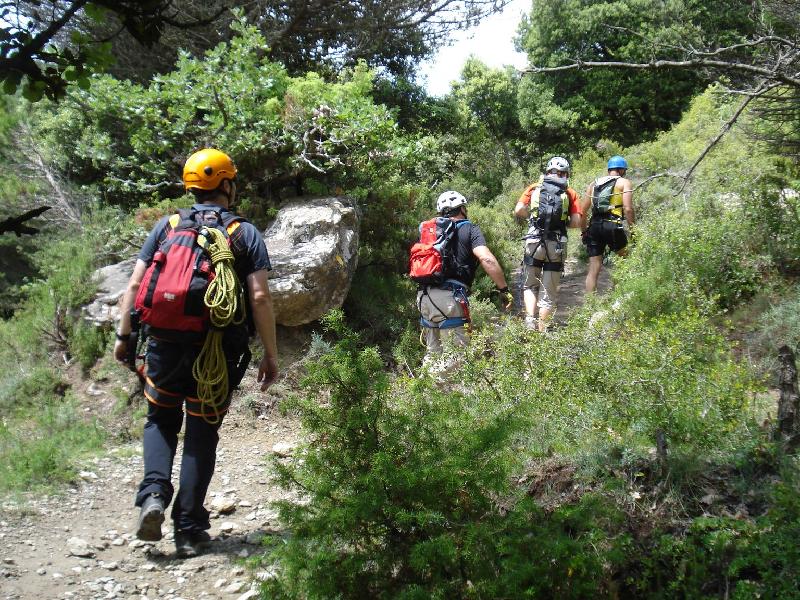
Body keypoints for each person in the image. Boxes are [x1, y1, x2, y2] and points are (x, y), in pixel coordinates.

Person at [113, 148, 279, 558]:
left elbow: (134, 288)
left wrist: (123, 336)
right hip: (216, 351)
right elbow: (259, 297)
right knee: (202, 431)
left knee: (160, 419)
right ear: (226, 184)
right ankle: (188, 527)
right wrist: (270, 355)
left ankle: (153, 495)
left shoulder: (167, 226)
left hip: (164, 346)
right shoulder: (244, 232)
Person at [416, 190, 512, 363]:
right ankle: (430, 382)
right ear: (462, 209)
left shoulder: (430, 233)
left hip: (424, 297)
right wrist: (504, 289)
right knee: (458, 358)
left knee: (433, 355)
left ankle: (423, 387)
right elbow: (487, 259)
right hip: (449, 299)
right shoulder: (469, 228)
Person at [513, 157, 583, 331]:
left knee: (530, 284)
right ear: (566, 174)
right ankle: (542, 330)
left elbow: (519, 210)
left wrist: (533, 217)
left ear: (547, 172)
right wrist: (561, 223)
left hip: (534, 241)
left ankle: (530, 321)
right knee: (548, 292)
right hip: (557, 244)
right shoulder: (570, 192)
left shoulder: (534, 187)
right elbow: (576, 222)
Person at [582, 155, 635, 293]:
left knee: (594, 267)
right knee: (624, 260)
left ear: (609, 169)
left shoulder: (593, 184)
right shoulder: (624, 182)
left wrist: (584, 231)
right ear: (622, 170)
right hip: (612, 226)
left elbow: (583, 211)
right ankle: (617, 297)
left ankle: (589, 304)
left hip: (594, 226)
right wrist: (634, 231)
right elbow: (628, 209)